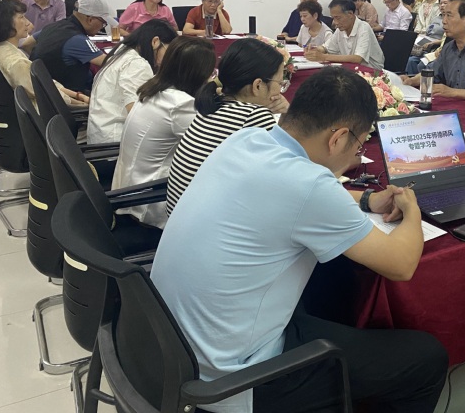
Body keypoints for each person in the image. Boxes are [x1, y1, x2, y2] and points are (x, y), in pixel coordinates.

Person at [150, 66, 448, 413]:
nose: (357, 153)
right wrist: (411, 208)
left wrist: (368, 199)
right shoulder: (310, 185)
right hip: (231, 380)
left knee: (327, 281)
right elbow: (402, 264)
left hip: (165, 348)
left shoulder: (246, 140)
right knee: (427, 359)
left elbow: (297, 197)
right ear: (338, 139)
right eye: (359, 144)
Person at [167, 38, 289, 215]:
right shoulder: (254, 116)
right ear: (258, 86)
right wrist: (287, 114)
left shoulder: (213, 104)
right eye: (279, 83)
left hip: (180, 218)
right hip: (208, 223)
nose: (280, 91)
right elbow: (290, 169)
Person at [111, 37, 216, 230]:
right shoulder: (179, 105)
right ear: (197, 75)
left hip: (129, 189)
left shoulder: (154, 89)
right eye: (210, 74)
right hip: (151, 201)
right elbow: (218, 141)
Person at [0, 0, 87, 109]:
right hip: (44, 114)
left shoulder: (0, 49)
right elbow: (49, 94)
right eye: (21, 17)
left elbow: (45, 83)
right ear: (5, 23)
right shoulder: (16, 62)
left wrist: (77, 95)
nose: (28, 23)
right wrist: (83, 104)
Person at [87, 19, 178, 144]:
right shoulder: (136, 64)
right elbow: (137, 114)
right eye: (168, 52)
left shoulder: (122, 51)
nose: (168, 59)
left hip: (102, 134)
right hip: (116, 141)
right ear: (155, 42)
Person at [30, 0, 116, 93]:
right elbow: (111, 62)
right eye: (103, 23)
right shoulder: (77, 39)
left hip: (46, 91)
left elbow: (26, 44)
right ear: (90, 20)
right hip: (71, 94)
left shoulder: (52, 27)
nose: (102, 27)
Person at [304, 0, 385, 69]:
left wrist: (323, 57)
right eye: (333, 18)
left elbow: (357, 58)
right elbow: (326, 48)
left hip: (372, 71)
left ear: (350, 14)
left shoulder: (364, 28)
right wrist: (315, 49)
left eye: (338, 18)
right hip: (352, 68)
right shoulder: (340, 29)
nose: (335, 22)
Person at [405, 0, 446, 75]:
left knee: (421, 64)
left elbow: (447, 39)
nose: (442, 5)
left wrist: (433, 42)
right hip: (427, 42)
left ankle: (420, 81)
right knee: (410, 59)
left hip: (436, 46)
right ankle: (411, 79)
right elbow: (428, 30)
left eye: (445, 3)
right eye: (440, 3)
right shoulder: (436, 17)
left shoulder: (450, 21)